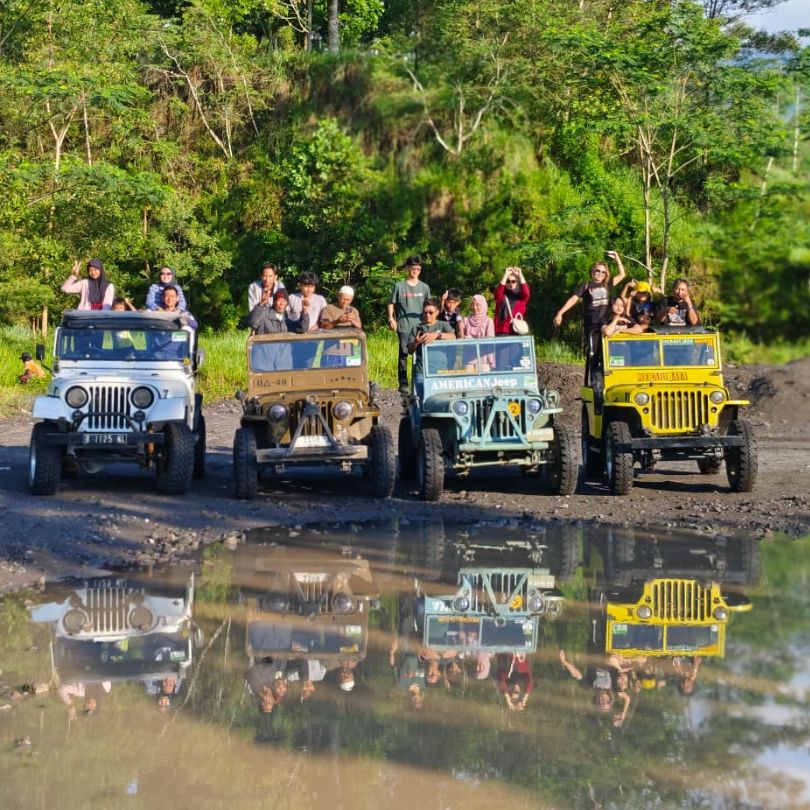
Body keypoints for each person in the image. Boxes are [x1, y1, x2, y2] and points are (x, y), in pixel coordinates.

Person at [553, 251, 627, 380]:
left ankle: (610, 380)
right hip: (592, 324)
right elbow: (573, 299)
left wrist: (617, 259)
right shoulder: (586, 285)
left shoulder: (607, 284)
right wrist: (560, 313)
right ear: (592, 272)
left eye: (603, 272)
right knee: (594, 354)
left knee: (609, 354)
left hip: (605, 322)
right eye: (597, 271)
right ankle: (595, 384)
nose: (600, 274)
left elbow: (622, 275)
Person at [387, 256, 431, 394]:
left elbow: (430, 306)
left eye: (418, 269)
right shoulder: (399, 286)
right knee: (404, 354)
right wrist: (391, 318)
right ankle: (403, 382)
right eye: (412, 268)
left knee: (421, 354)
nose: (415, 271)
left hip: (421, 326)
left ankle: (421, 380)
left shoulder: (424, 287)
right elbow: (391, 303)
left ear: (420, 270)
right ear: (408, 269)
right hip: (404, 325)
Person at [407, 298, 455, 390]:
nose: (427, 315)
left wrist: (437, 335)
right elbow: (410, 351)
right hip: (421, 372)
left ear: (437, 312)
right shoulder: (416, 328)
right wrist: (416, 342)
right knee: (421, 401)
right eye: (425, 312)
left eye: (431, 312)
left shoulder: (443, 325)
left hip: (441, 372)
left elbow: (453, 337)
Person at [493, 266, 530, 336]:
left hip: (516, 331)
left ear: (517, 283)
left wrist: (520, 275)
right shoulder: (502, 297)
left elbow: (526, 293)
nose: (510, 283)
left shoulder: (521, 298)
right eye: (508, 281)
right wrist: (506, 275)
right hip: (502, 332)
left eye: (513, 281)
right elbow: (497, 293)